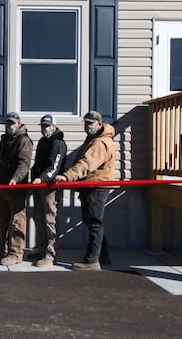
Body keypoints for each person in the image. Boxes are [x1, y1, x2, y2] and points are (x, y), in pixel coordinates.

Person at [55, 110, 115, 271]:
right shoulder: (94, 139)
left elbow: (86, 164)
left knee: (94, 223)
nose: (87, 126)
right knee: (93, 222)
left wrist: (67, 176)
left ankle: (92, 261)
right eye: (86, 123)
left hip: (97, 187)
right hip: (91, 186)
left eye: (90, 123)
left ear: (99, 124)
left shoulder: (99, 143)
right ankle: (103, 255)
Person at [0, 112, 33, 266]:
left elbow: (24, 163)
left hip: (16, 187)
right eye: (7, 123)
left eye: (12, 123)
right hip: (2, 185)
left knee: (17, 221)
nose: (9, 126)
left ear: (19, 123)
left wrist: (15, 179)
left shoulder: (23, 140)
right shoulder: (5, 140)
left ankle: (16, 253)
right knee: (1, 218)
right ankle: (1, 249)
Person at [29, 114, 67, 268]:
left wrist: (42, 178)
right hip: (38, 186)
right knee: (38, 217)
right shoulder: (43, 141)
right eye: (43, 126)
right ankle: (42, 249)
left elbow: (54, 167)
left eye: (47, 126)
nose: (45, 129)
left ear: (54, 127)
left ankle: (50, 255)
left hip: (50, 187)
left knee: (49, 220)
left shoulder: (58, 144)